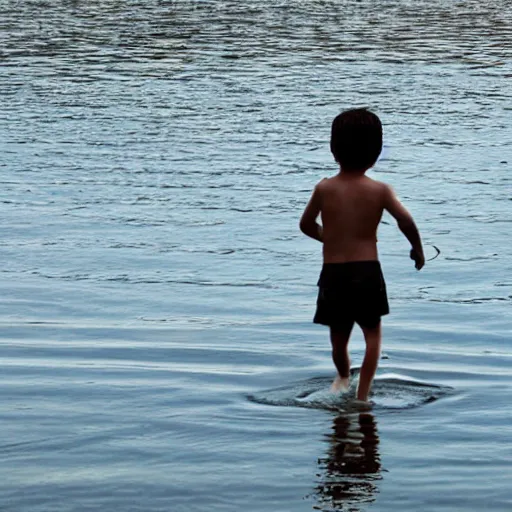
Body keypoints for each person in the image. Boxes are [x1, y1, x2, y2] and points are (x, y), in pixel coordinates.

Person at [299, 108, 425, 402]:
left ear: (334, 150)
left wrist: (327, 237)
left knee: (338, 338)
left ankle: (342, 377)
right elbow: (405, 220)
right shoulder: (379, 190)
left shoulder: (324, 188)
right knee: (372, 339)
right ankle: (363, 396)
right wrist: (417, 249)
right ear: (376, 153)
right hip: (367, 272)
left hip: (333, 275)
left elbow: (305, 225)